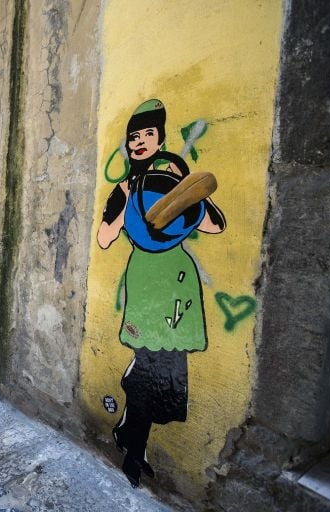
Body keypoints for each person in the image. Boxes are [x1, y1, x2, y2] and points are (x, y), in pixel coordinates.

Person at [96, 99, 226, 488]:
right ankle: (134, 447)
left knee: (170, 374)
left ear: (160, 139)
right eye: (133, 136)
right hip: (147, 282)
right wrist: (122, 205)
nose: (138, 142)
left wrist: (186, 190)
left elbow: (216, 225)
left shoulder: (174, 181)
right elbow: (104, 239)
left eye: (147, 134)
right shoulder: (124, 187)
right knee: (148, 363)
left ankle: (131, 437)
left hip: (178, 285)